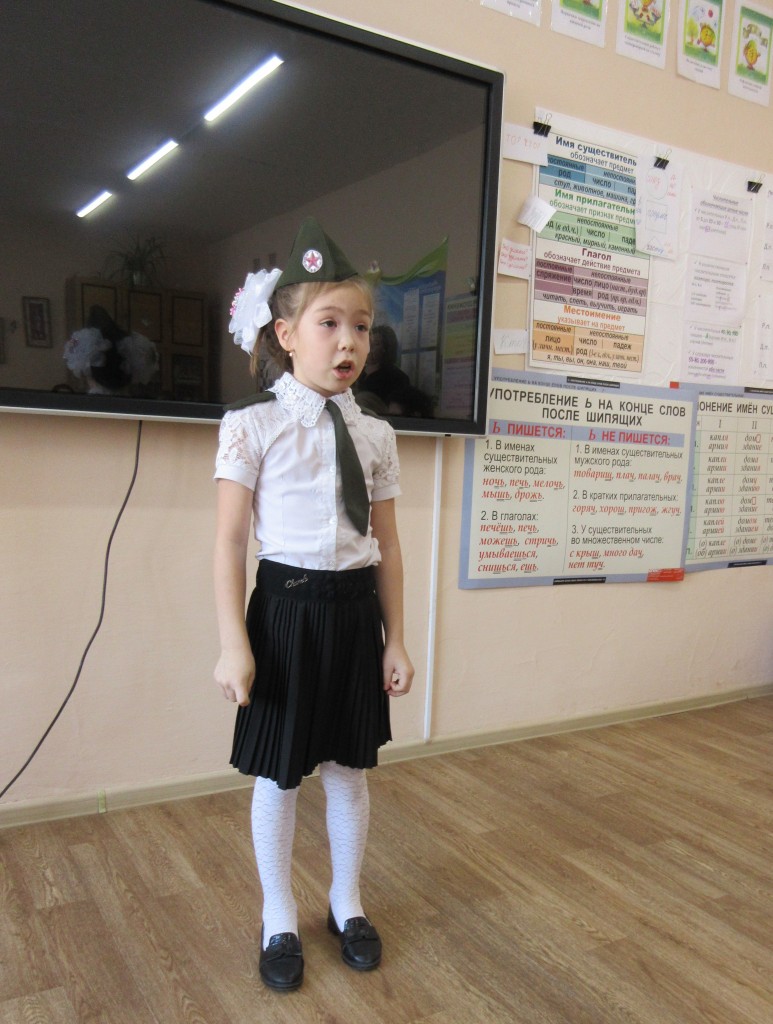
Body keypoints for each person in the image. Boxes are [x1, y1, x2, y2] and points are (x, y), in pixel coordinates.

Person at [213, 217, 414, 993]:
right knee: (279, 776)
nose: (347, 341)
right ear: (286, 334)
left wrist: (395, 638)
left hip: (354, 615)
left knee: (348, 771)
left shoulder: (377, 435)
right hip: (285, 616)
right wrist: (233, 643)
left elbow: (387, 545)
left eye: (359, 326)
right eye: (329, 323)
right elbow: (230, 542)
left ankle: (346, 902)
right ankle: (277, 915)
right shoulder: (252, 425)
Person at [355, 323, 409, 404]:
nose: (370, 348)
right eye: (368, 343)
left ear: (386, 348)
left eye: (376, 344)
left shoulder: (396, 377)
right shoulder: (356, 373)